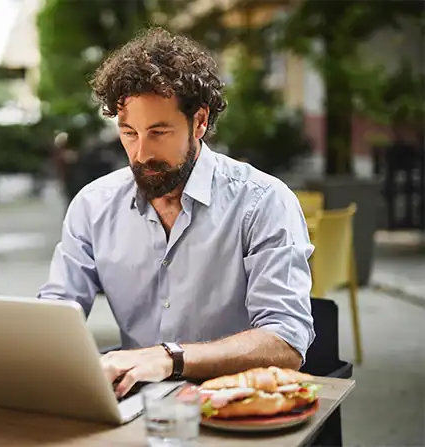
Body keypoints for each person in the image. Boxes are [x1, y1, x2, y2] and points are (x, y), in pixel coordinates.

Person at [37, 28, 315, 398]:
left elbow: (286, 343)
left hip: (234, 405)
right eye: (128, 133)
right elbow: (57, 313)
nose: (140, 154)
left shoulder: (263, 202)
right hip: (138, 403)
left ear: (199, 122)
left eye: (158, 132)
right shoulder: (93, 205)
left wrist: (171, 357)